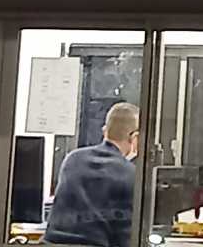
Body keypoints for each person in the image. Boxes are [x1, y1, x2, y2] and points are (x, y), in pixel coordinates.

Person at [44, 102, 139, 247]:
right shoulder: (130, 173)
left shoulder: (73, 159)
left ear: (104, 131)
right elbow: (126, 236)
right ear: (135, 138)